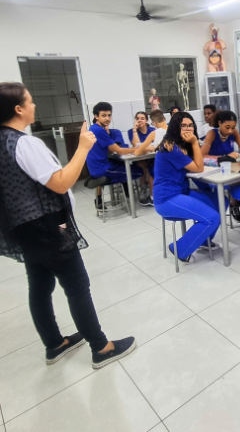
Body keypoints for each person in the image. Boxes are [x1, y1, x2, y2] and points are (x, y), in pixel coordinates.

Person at [0, 82, 136, 369]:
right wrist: (83, 148)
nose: (34, 106)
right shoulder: (25, 143)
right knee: (77, 285)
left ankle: (54, 343)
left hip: (22, 227)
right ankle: (101, 348)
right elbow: (61, 182)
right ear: (18, 109)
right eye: (31, 101)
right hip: (49, 226)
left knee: (39, 284)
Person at [153, 112, 224, 262]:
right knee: (212, 218)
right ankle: (179, 249)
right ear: (175, 128)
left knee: (221, 200)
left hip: (182, 191)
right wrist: (194, 143)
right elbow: (198, 168)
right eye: (183, 126)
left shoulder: (181, 146)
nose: (188, 129)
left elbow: (198, 165)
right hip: (167, 198)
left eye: (190, 125)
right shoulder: (170, 147)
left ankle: (204, 239)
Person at [87, 102, 143, 207]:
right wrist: (139, 149)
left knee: (126, 168)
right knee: (139, 171)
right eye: (103, 115)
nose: (107, 118)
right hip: (102, 169)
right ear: (96, 116)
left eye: (109, 115)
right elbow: (120, 151)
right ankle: (107, 183)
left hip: (96, 167)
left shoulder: (93, 128)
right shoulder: (99, 131)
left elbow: (110, 150)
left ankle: (122, 192)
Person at [201, 110, 240, 222]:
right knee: (239, 175)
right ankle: (234, 203)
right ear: (220, 123)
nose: (230, 131)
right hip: (215, 169)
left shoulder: (234, 133)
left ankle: (235, 203)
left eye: (233, 127)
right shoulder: (212, 134)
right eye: (227, 127)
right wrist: (225, 156)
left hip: (228, 166)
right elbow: (202, 156)